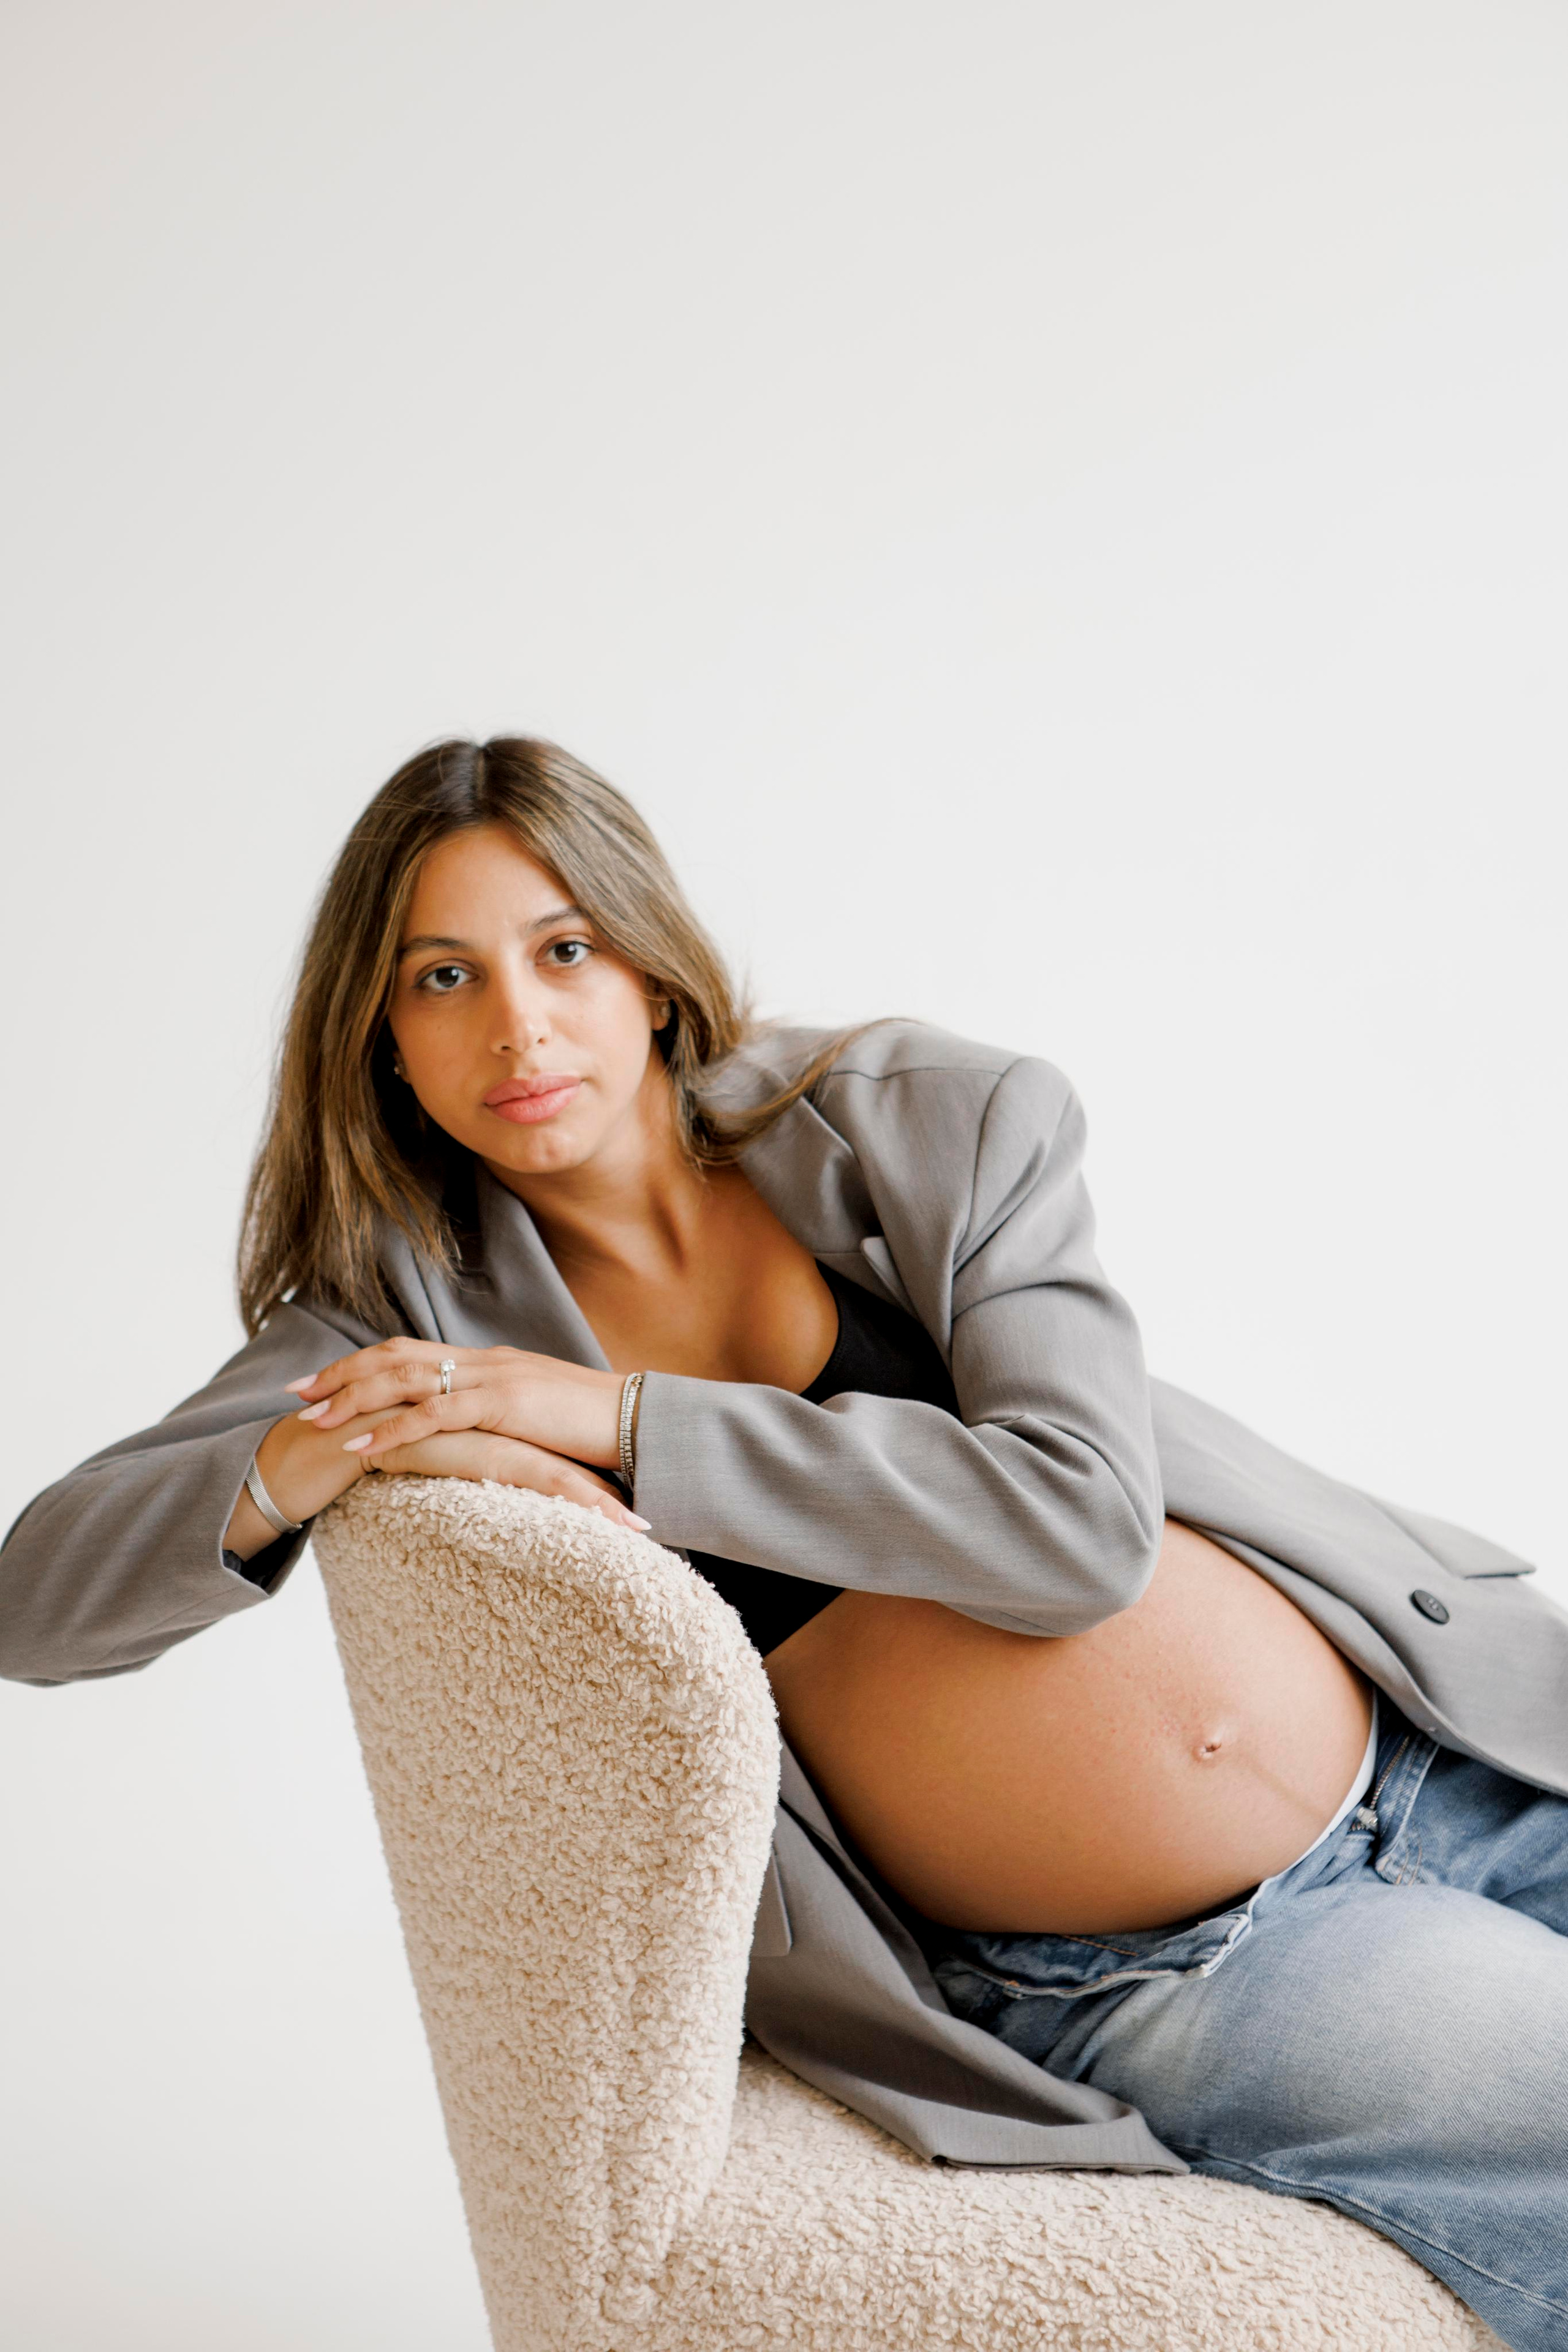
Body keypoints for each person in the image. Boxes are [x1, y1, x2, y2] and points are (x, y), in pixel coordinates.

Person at [3, 736, 1565, 2351]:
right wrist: (316, 1449)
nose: (518, 1025)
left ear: (651, 969)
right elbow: (30, 1605)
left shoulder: (923, 1121)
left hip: (1452, 1741)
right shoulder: (399, 1318)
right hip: (1173, 1964)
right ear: (381, 1036)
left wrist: (616, 1420)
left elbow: (1077, 1529)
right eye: (441, 978)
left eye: (563, 951)